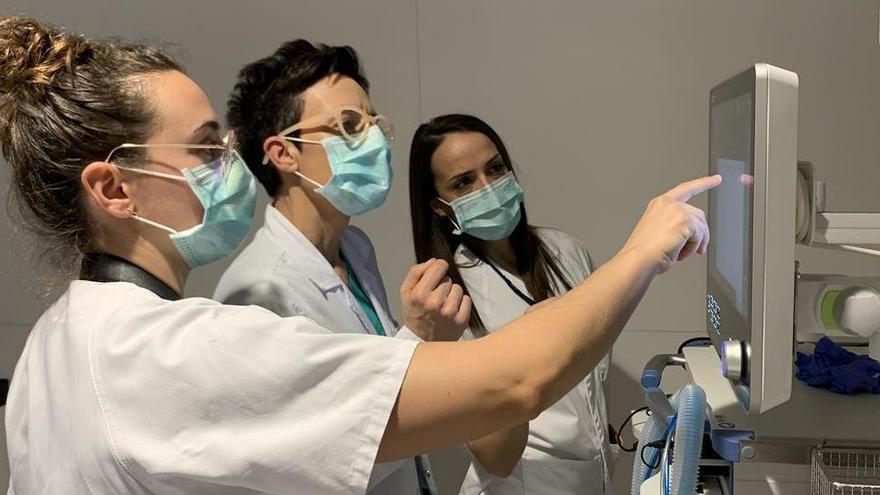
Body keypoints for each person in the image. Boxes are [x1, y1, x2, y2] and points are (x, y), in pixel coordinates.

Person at [0, 17, 719, 495]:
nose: (229, 165)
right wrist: (643, 251)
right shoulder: (188, 341)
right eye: (203, 148)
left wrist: (416, 340)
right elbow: (510, 382)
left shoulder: (52, 344)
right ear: (112, 187)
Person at [213, 40, 469, 494]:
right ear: (283, 153)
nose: (373, 140)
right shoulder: (257, 293)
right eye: (349, 126)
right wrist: (420, 339)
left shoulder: (354, 247)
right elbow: (310, 459)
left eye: (373, 122)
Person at [409, 114, 616, 494]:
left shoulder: (566, 252)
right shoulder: (448, 299)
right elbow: (496, 458)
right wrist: (520, 351)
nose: (488, 187)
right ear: (440, 207)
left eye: (495, 168)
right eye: (464, 182)